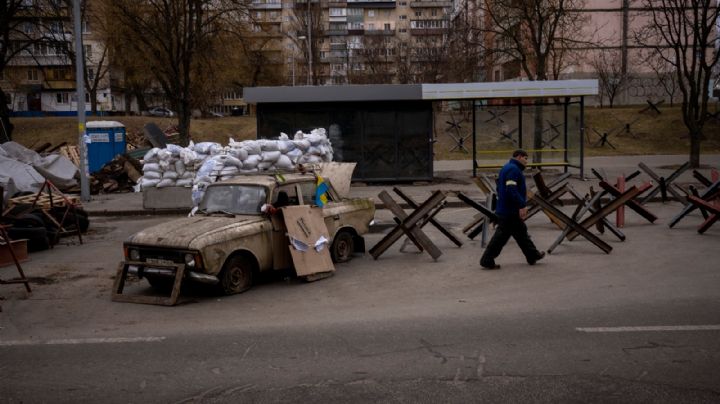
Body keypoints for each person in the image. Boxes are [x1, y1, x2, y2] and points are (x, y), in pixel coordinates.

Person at [480, 149, 545, 270]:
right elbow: (511, 189)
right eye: (526, 158)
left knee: (520, 232)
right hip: (509, 210)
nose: (526, 161)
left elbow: (500, 187)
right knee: (501, 237)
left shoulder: (507, 167)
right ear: (519, 157)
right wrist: (521, 205)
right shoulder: (513, 170)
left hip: (506, 208)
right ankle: (486, 259)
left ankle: (532, 255)